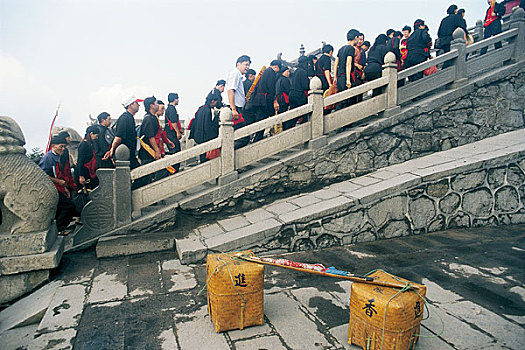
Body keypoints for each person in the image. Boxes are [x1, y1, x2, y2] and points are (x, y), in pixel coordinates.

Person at [38, 135, 79, 235]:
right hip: (50, 188)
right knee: (68, 206)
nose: (63, 149)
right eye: (61, 146)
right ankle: (59, 228)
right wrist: (57, 181)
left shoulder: (58, 157)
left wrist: (64, 188)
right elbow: (41, 175)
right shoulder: (48, 158)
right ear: (53, 146)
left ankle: (60, 228)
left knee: (65, 207)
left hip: (59, 187)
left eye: (64, 147)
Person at [104, 96, 142, 170]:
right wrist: (112, 150)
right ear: (130, 105)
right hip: (125, 156)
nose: (138, 105)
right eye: (136, 103)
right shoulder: (124, 118)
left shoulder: (130, 118)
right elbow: (118, 138)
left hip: (130, 154)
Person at [251, 60, 281, 142]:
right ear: (276, 66)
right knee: (262, 120)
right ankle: (257, 139)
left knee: (259, 120)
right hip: (264, 100)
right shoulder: (271, 72)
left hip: (258, 99)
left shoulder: (264, 72)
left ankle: (256, 138)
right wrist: (274, 100)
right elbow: (271, 88)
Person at [226, 54, 251, 149]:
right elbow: (230, 90)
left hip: (237, 108)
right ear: (238, 64)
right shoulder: (235, 73)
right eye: (246, 64)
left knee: (238, 136)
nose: (247, 67)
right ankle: (227, 152)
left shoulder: (238, 75)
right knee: (243, 137)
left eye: (248, 65)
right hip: (234, 109)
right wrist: (233, 109)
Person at [189, 90, 221, 163]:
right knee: (205, 158)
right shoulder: (207, 110)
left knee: (202, 156)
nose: (216, 104)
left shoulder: (201, 108)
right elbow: (208, 126)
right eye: (216, 101)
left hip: (198, 136)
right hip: (204, 137)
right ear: (212, 101)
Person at [334, 29, 359, 109]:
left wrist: (335, 77)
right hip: (345, 76)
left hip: (339, 77)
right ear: (356, 37)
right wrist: (348, 80)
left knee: (341, 100)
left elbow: (336, 64)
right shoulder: (351, 49)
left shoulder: (341, 49)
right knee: (347, 100)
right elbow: (348, 63)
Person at [284, 56, 309, 130]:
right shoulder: (303, 72)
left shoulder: (296, 71)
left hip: (292, 95)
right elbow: (305, 86)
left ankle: (287, 130)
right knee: (305, 114)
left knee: (293, 116)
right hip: (299, 95)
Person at [77, 125, 100, 190]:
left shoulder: (90, 144)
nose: (96, 138)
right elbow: (80, 161)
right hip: (84, 171)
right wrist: (81, 176)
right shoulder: (84, 145)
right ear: (91, 134)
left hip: (90, 170)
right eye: (96, 135)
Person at [165, 93, 183, 161]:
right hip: (171, 132)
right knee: (175, 150)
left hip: (169, 132)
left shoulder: (169, 108)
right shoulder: (171, 109)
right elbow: (173, 122)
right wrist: (178, 132)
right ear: (175, 99)